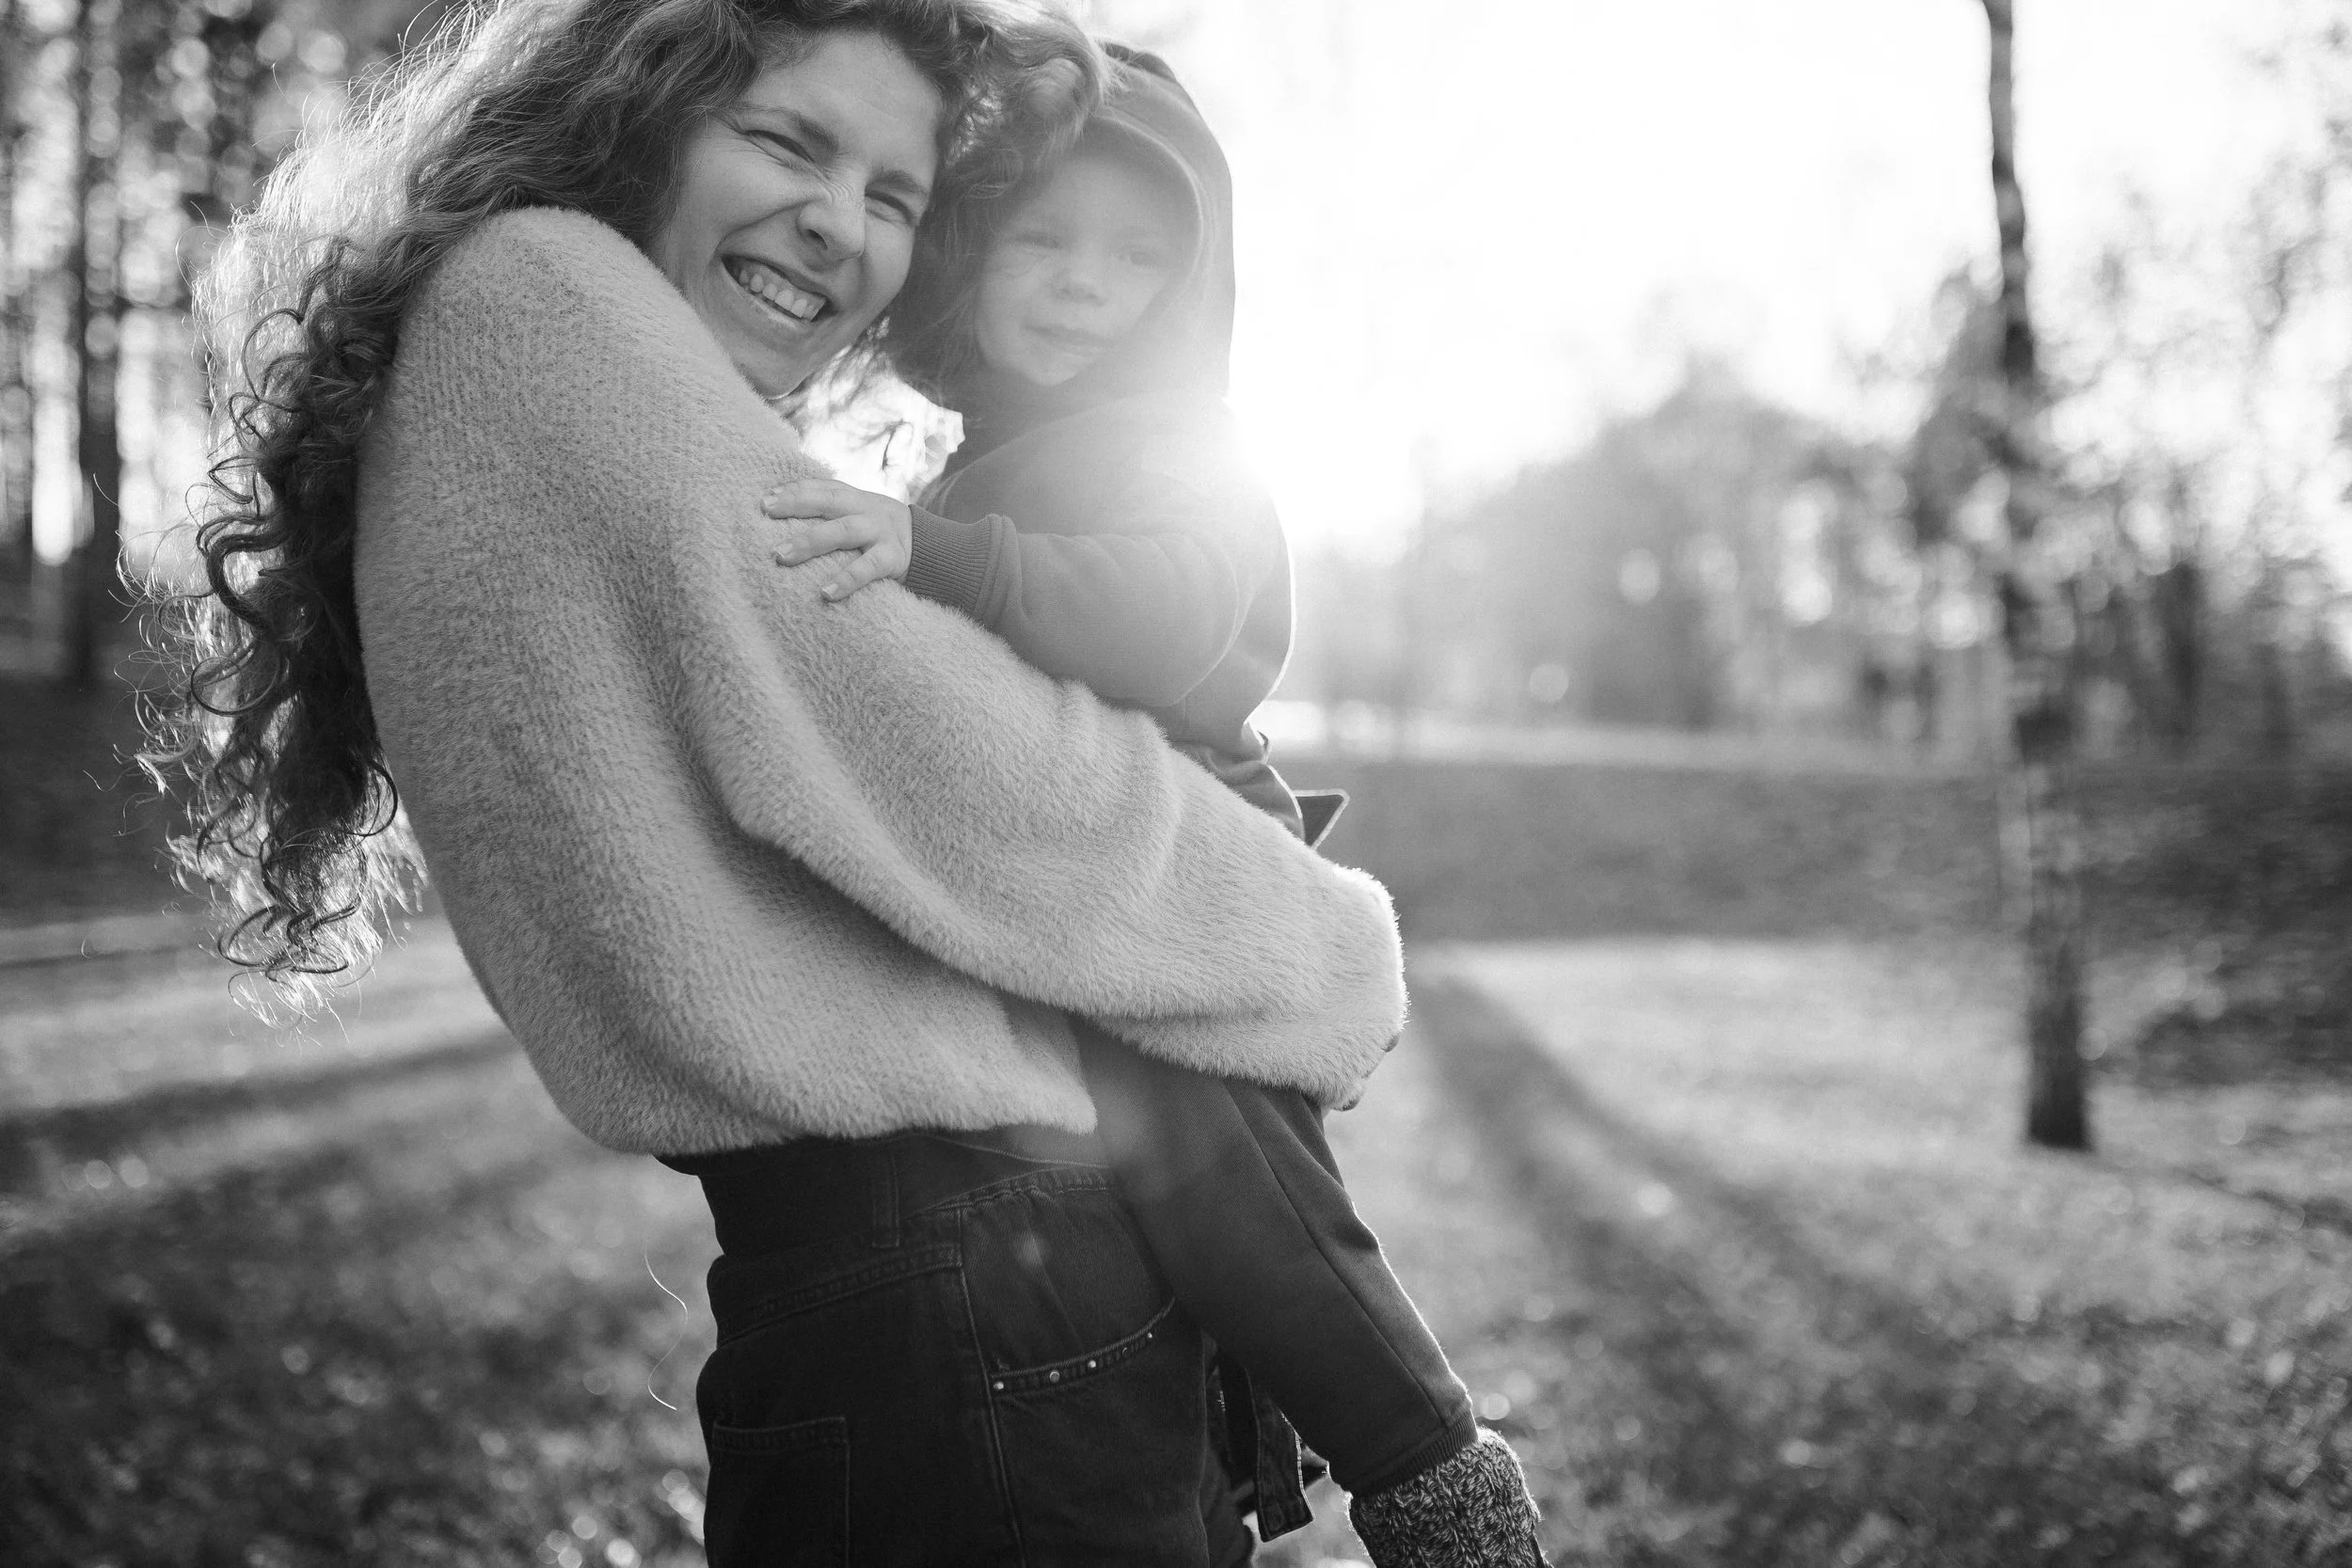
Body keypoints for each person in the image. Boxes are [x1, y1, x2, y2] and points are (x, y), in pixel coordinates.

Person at [140, 1, 1534, 1562]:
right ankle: (1430, 1458)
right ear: (644, 108)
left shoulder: (519, 344)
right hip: (964, 1297)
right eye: (788, 141)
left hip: (913, 1287)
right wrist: (1325, 944)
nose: (840, 225)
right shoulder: (546, 305)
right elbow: (999, 792)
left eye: (896, 198)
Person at [759, 46, 1546, 1561]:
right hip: (1064, 872)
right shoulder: (977, 460)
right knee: (1143, 1207)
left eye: (1133, 258)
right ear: (971, 253)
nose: (1077, 283)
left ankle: (1433, 1467)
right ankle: (1245, 1467)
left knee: (1230, 1175)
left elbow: (1167, 616)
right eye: (1041, 239)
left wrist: (947, 562)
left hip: (1191, 859)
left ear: (1189, 292)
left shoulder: (1189, 462)